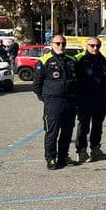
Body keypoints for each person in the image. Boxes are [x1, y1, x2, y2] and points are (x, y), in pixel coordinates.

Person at [34, 34, 78, 169]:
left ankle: (63, 157)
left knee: (67, 131)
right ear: (52, 44)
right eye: (58, 43)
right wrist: (47, 98)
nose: (61, 46)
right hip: (53, 102)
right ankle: (51, 158)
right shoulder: (44, 60)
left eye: (63, 43)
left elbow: (77, 81)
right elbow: (37, 85)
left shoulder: (71, 60)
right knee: (52, 131)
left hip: (70, 101)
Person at [74, 37, 106, 162]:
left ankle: (95, 149)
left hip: (100, 99)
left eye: (98, 46)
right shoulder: (79, 59)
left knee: (98, 126)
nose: (95, 48)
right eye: (92, 45)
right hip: (84, 100)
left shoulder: (102, 59)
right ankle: (81, 151)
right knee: (83, 126)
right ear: (86, 45)